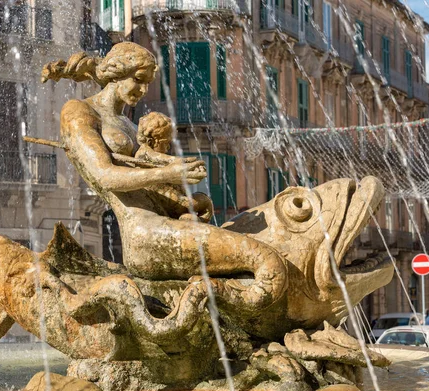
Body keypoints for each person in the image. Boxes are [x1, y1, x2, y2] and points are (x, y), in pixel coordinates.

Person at [42, 43, 290, 335]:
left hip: (163, 223)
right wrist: (171, 171)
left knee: (266, 252)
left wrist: (186, 203)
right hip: (144, 234)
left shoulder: (129, 126)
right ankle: (246, 335)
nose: (143, 90)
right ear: (117, 72)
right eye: (138, 79)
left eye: (147, 83)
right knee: (265, 260)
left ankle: (236, 335)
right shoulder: (79, 112)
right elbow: (104, 175)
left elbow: (150, 184)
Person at [133, 111, 214, 223]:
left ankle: (191, 219)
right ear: (152, 141)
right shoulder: (144, 153)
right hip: (170, 200)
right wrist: (187, 162)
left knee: (204, 201)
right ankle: (189, 219)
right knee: (204, 202)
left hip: (173, 198)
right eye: (165, 142)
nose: (168, 147)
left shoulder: (150, 153)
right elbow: (168, 160)